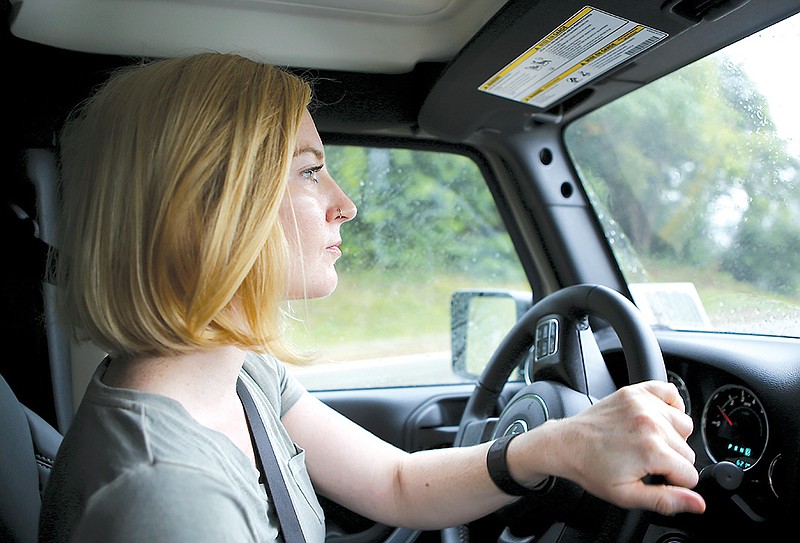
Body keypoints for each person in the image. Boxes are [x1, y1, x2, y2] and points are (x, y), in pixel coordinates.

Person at [38, 52, 705, 542]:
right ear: (211, 208)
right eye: (309, 172)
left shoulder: (239, 375)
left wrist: (558, 445)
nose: (346, 205)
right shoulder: (167, 502)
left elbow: (395, 482)